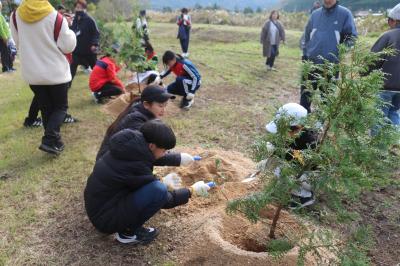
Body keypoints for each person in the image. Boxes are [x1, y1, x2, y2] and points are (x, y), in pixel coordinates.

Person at [85, 120, 211, 244]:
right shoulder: (136, 167)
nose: (165, 153)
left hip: (99, 206)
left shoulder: (129, 147)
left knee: (156, 187)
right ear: (151, 145)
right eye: (164, 150)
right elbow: (165, 199)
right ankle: (127, 233)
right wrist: (191, 190)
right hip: (106, 219)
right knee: (158, 190)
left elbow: (151, 157)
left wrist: (179, 159)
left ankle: (126, 226)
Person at [10, 0, 77, 155]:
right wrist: (70, 30)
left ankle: (55, 142)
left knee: (46, 107)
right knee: (60, 107)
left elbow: (17, 42)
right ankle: (49, 138)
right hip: (56, 72)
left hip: (32, 72)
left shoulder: (15, 16)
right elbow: (68, 46)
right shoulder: (55, 17)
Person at [96, 85, 200, 163]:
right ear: (146, 104)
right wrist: (179, 159)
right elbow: (147, 153)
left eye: (165, 106)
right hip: (111, 165)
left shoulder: (141, 113)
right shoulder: (136, 121)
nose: (163, 110)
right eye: (160, 106)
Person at [300, 0, 357, 113]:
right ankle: (302, 126)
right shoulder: (315, 14)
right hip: (310, 63)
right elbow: (306, 36)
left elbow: (352, 38)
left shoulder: (345, 14)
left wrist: (338, 51)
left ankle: (318, 127)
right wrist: (305, 54)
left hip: (330, 65)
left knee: (325, 99)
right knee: (305, 97)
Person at [261, 103, 318, 208]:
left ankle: (303, 196)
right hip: (295, 167)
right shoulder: (290, 136)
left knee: (284, 168)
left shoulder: (310, 141)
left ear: (298, 128)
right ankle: (283, 188)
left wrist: (284, 153)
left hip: (309, 176)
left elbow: (308, 163)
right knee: (270, 161)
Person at [370, 3, 400, 128]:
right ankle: (395, 144)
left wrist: (364, 74)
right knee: (394, 113)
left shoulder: (388, 36)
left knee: (379, 117)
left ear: (394, 21)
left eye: (389, 20)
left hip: (385, 86)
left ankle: (378, 147)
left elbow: (373, 60)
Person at [69, 0, 100, 85]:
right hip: (77, 50)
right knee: (72, 66)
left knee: (96, 69)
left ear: (84, 9)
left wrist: (94, 44)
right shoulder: (74, 20)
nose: (78, 9)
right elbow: (71, 32)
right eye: (76, 7)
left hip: (89, 50)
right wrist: (68, 25)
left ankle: (100, 84)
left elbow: (96, 33)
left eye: (80, 8)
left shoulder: (89, 20)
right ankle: (67, 85)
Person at [0, 2, 14, 73]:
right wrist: (4, 37)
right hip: (3, 38)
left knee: (8, 52)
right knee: (4, 53)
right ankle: (5, 68)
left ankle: (10, 67)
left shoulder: (1, 14)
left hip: (6, 37)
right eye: (0, 6)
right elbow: (1, 28)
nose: (1, 7)